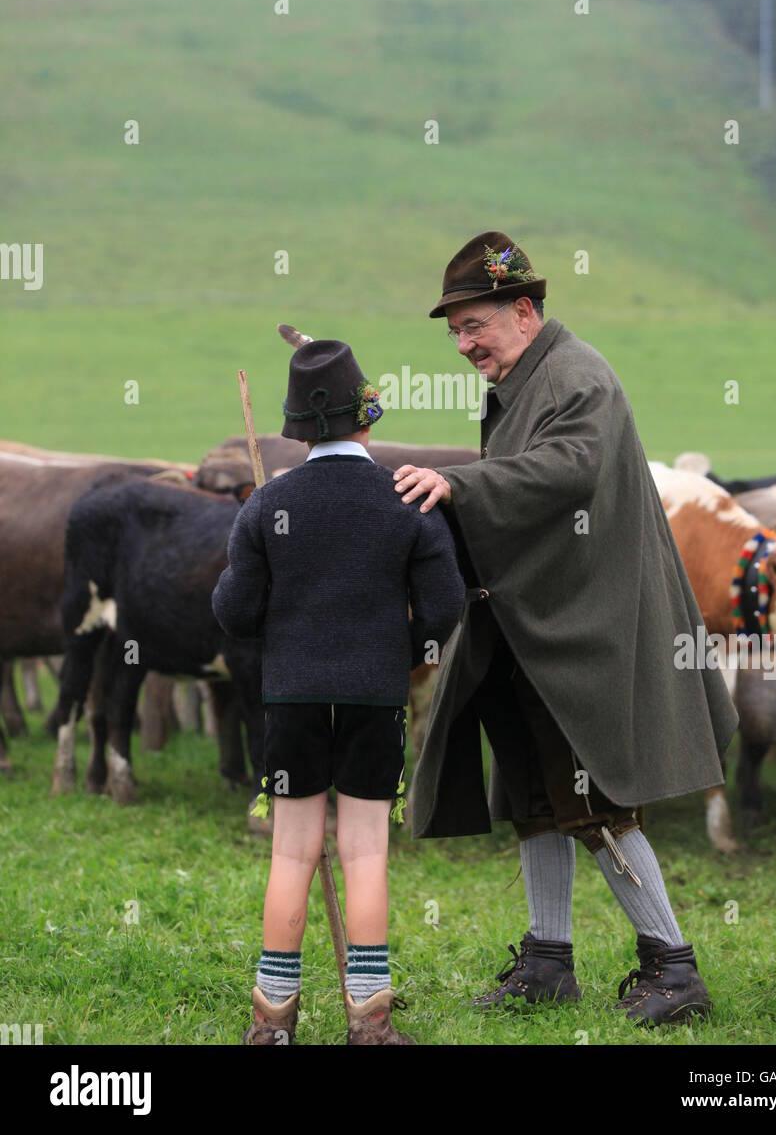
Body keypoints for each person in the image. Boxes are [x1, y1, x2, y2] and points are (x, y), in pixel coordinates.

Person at [392, 231, 739, 1028]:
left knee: (594, 806)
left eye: (474, 325)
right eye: (453, 333)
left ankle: (674, 967)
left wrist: (458, 483)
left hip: (583, 634)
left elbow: (570, 467)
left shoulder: (577, 375)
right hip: (532, 628)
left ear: (523, 309)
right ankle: (548, 962)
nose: (463, 344)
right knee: (535, 797)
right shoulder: (527, 376)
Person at [212, 339, 465, 1045]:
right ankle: (371, 1023)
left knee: (291, 854)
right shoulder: (408, 499)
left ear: (297, 430)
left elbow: (233, 612)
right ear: (367, 420)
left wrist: (272, 607)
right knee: (365, 854)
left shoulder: (269, 505)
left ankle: (272, 1025)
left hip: (290, 700)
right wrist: (405, 648)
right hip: (376, 698)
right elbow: (443, 608)